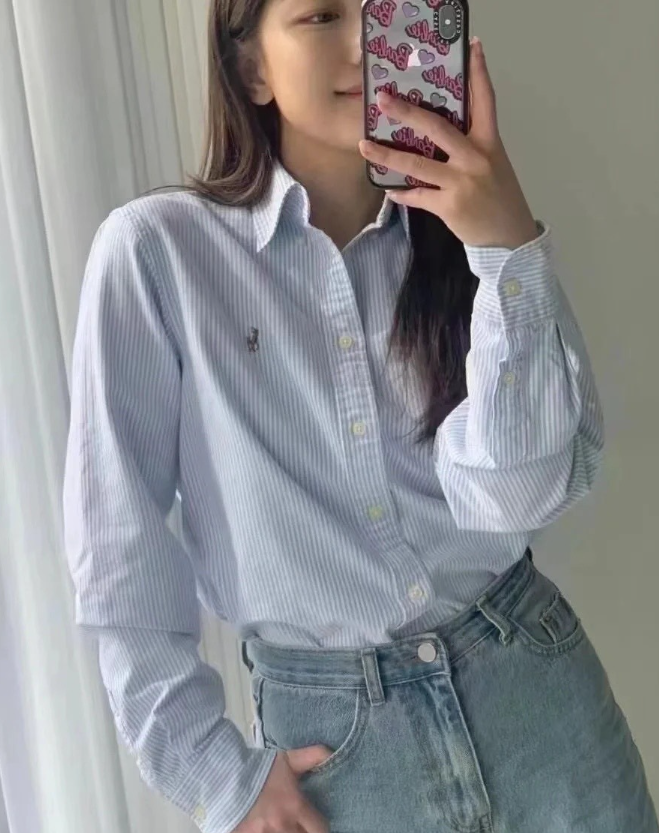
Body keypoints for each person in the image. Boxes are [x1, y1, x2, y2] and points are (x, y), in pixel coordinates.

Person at [62, 0, 658, 829]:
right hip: (336, 752)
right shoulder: (156, 254)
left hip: (534, 696)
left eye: (388, 8)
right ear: (250, 67)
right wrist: (216, 774)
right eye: (320, 16)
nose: (366, 45)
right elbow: (117, 549)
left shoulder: (468, 237)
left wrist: (505, 251)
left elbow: (516, 500)